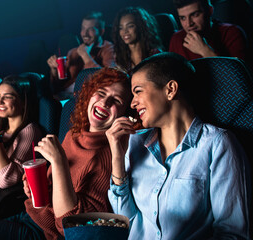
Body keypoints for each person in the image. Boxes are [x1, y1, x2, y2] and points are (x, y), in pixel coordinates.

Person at [0, 67, 132, 240]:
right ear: (88, 96)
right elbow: (50, 189)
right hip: (27, 214)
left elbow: (70, 227)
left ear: (124, 113)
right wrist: (30, 187)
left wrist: (57, 162)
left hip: (41, 232)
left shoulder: (108, 155)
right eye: (101, 94)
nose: (104, 103)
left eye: (117, 101)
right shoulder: (74, 134)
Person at [106, 52, 250, 239]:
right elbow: (126, 222)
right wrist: (117, 158)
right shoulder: (133, 142)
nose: (132, 103)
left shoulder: (217, 144)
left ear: (171, 89)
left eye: (138, 91)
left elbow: (232, 233)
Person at [47, 11, 115, 100]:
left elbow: (108, 79)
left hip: (90, 97)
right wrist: (54, 70)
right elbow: (58, 85)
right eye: (83, 28)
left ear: (101, 32)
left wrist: (85, 56)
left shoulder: (109, 49)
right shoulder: (73, 52)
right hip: (66, 96)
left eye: (91, 29)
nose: (85, 34)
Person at [169, 0, 248, 61]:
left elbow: (235, 78)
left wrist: (204, 50)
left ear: (210, 11)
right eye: (183, 18)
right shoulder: (176, 39)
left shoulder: (232, 33)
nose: (189, 23)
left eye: (195, 15)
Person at [111, 6, 163, 72]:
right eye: (121, 28)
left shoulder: (155, 54)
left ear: (140, 27)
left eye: (130, 26)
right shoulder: (119, 57)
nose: (125, 31)